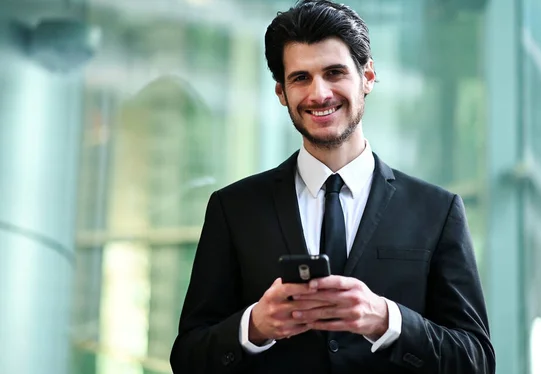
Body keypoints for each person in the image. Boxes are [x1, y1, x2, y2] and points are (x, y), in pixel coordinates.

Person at [170, 1, 495, 373]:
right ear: (281, 92)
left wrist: (385, 319)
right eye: (300, 78)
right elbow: (187, 358)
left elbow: (477, 361)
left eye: (334, 72)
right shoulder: (234, 209)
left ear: (368, 76)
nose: (319, 94)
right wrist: (254, 326)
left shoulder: (437, 211)